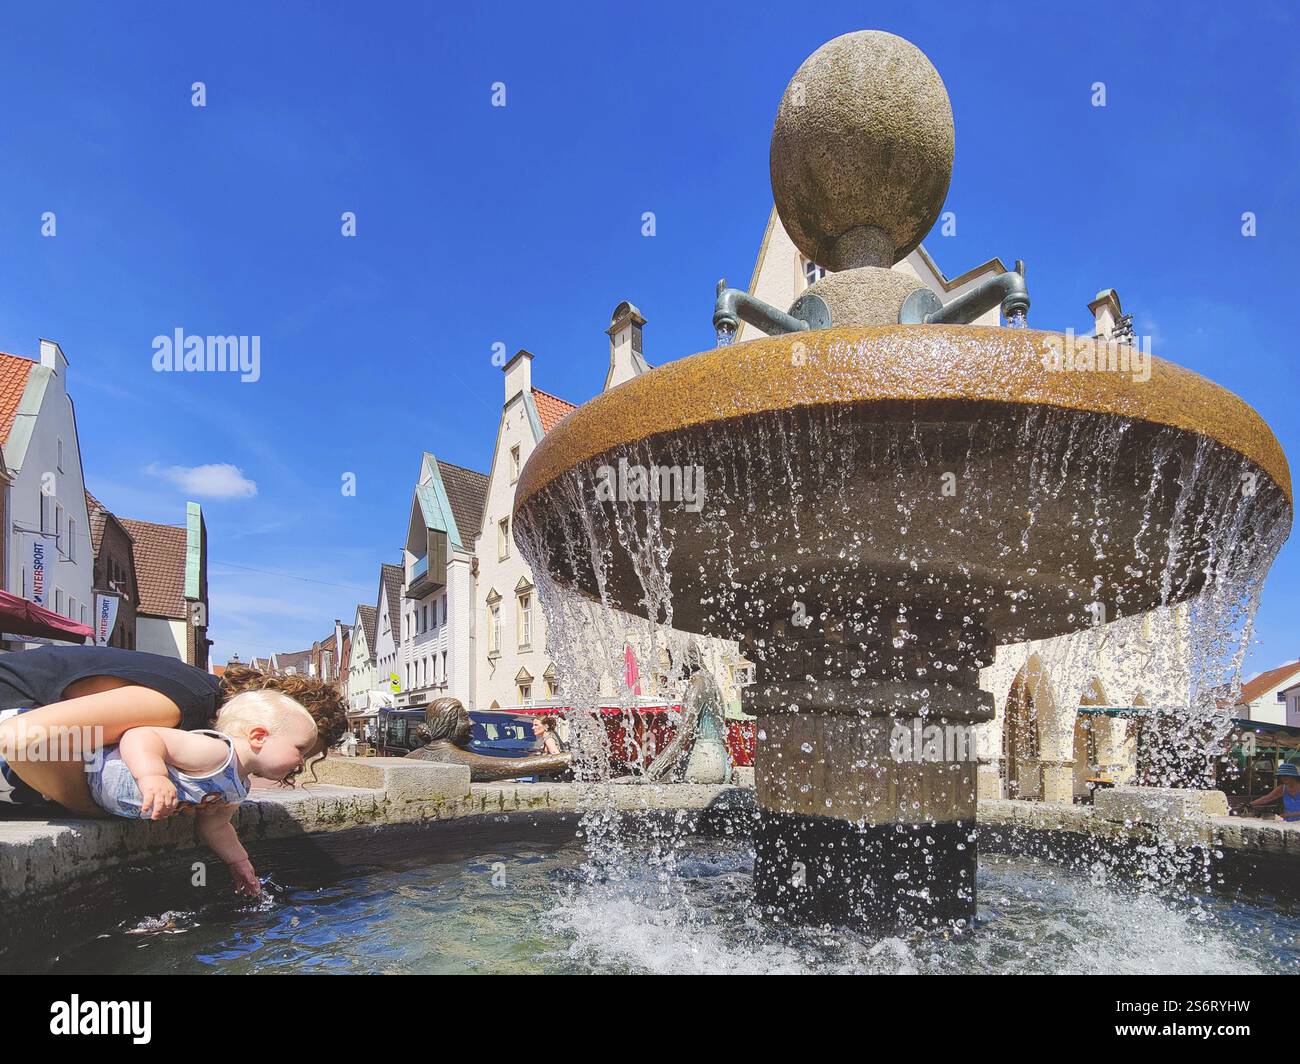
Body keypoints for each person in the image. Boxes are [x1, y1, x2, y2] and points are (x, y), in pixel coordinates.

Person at [0, 645, 347, 815]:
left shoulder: (202, 717)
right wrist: (94, 808)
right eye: (301, 750)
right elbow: (22, 739)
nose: (298, 765)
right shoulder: (183, 703)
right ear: (264, 727)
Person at [88, 689, 319, 895]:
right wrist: (152, 775)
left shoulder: (239, 787)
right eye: (300, 750)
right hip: (93, 768)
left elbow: (215, 825)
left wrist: (238, 860)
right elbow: (141, 736)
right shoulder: (216, 752)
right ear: (258, 736)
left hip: (98, 803)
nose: (301, 762)